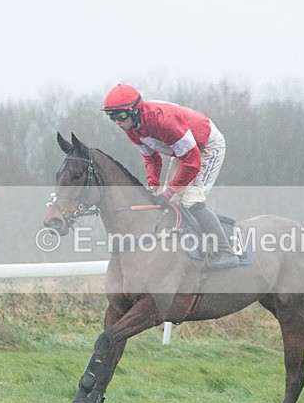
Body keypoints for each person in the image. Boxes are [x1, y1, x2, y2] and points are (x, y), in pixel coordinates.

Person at [101, 83, 239, 269]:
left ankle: (226, 251)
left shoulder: (164, 121)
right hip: (184, 152)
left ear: (135, 110)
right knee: (172, 203)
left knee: (191, 201)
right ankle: (186, 246)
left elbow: (192, 164)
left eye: (121, 116)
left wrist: (168, 191)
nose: (117, 122)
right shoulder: (131, 130)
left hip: (207, 146)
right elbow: (152, 159)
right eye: (112, 117)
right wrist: (153, 186)